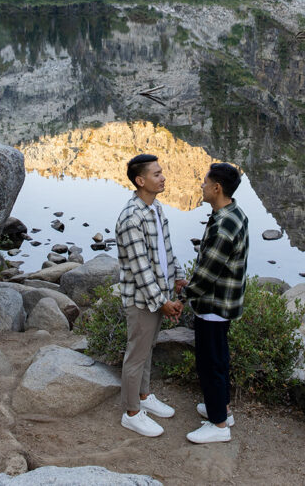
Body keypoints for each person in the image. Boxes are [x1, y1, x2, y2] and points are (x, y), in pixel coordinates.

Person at [115, 153, 185, 437]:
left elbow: (166, 251)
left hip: (158, 295)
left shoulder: (156, 209)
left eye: (161, 172)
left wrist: (178, 275)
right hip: (143, 300)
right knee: (136, 354)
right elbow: (140, 266)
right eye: (156, 174)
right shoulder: (132, 217)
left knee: (148, 349)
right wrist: (162, 302)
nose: (163, 177)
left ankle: (144, 397)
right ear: (140, 180)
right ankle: (131, 413)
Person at [180, 162, 248, 444]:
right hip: (225, 302)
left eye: (205, 183)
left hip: (213, 305)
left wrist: (184, 295)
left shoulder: (222, 226)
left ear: (217, 188)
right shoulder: (233, 212)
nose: (201, 186)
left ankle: (218, 425)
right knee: (219, 358)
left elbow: (208, 273)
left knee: (209, 363)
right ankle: (222, 408)